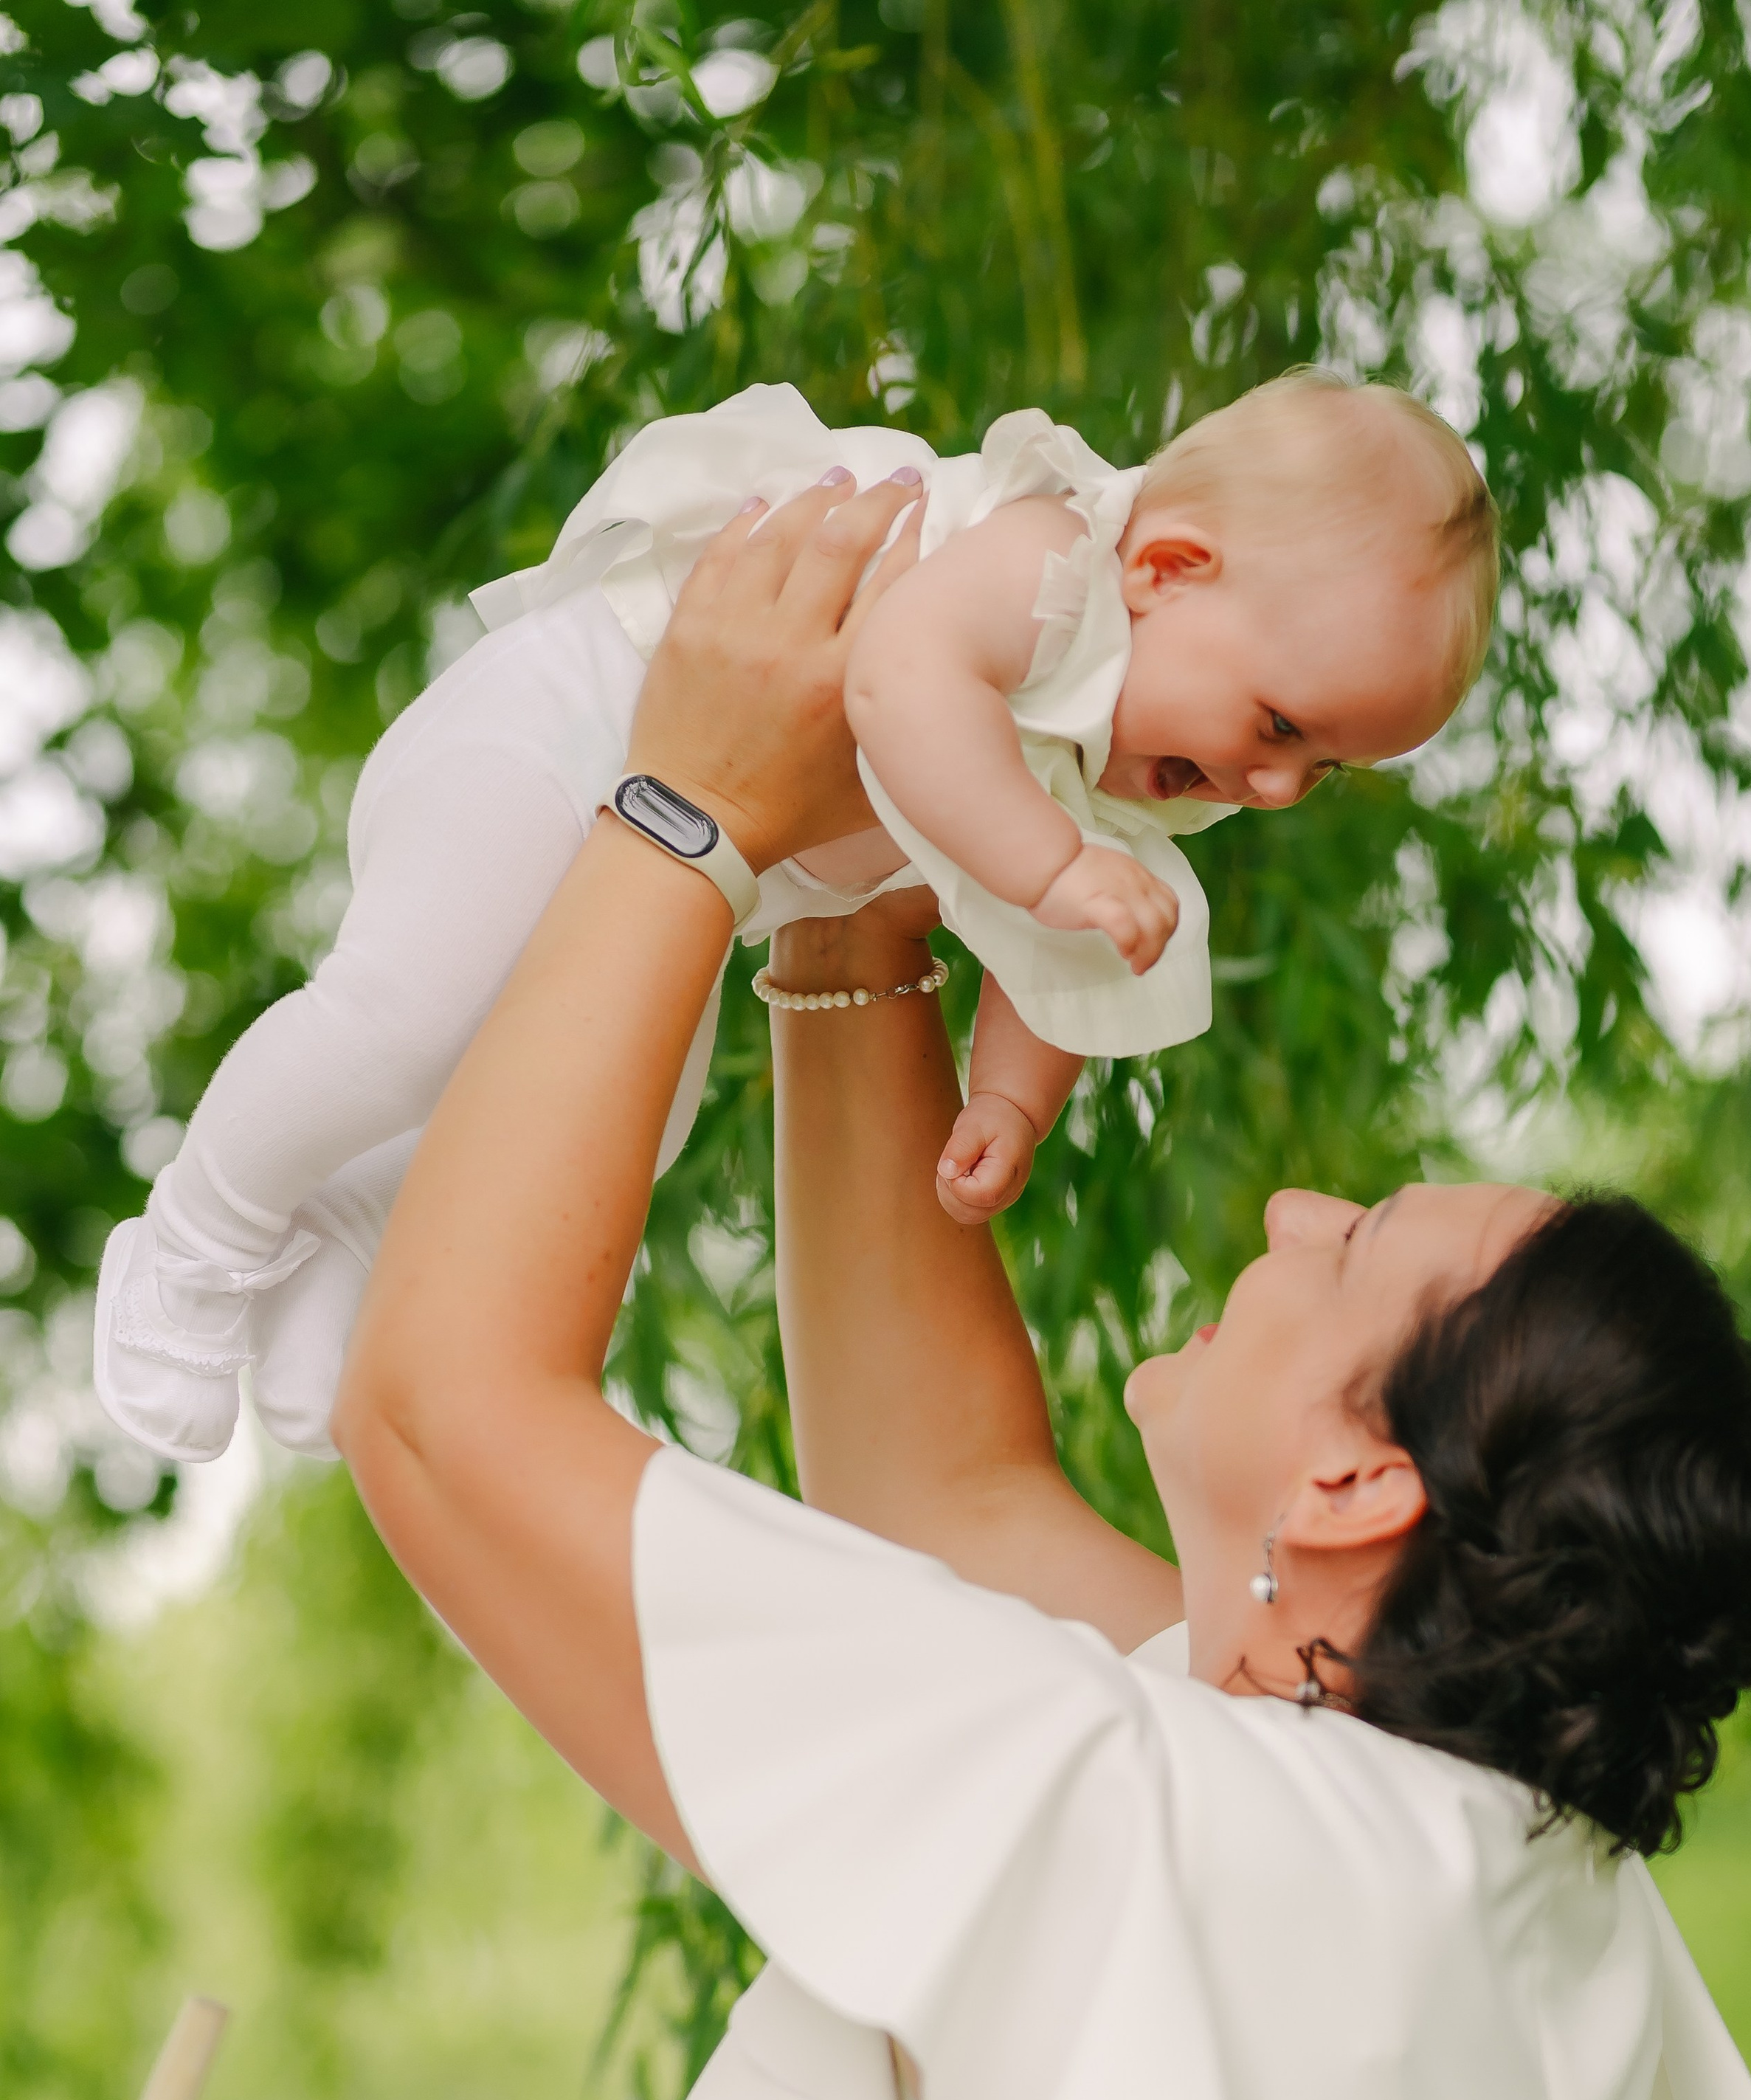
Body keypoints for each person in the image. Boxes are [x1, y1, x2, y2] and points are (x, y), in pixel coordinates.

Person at [333, 473, 1751, 2100]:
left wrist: (686, 811)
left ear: (1359, 1491)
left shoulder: (1159, 1826)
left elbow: (439, 1411)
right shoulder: (1490, 1866)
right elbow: (945, 1503)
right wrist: (852, 918)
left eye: (1356, 1256)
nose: (1296, 1210)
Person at [94, 371, 1493, 1471]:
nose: (1274, 785)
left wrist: (1007, 1097)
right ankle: (192, 1240)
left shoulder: (1138, 759)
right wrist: (1054, 865)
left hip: (695, 861)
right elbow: (900, 683)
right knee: (405, 1022)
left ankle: (340, 1237)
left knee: (607, 1125)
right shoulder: (1051, 561)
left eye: (1323, 769)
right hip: (577, 721)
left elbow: (1068, 949)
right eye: (1279, 725)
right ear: (1172, 570)